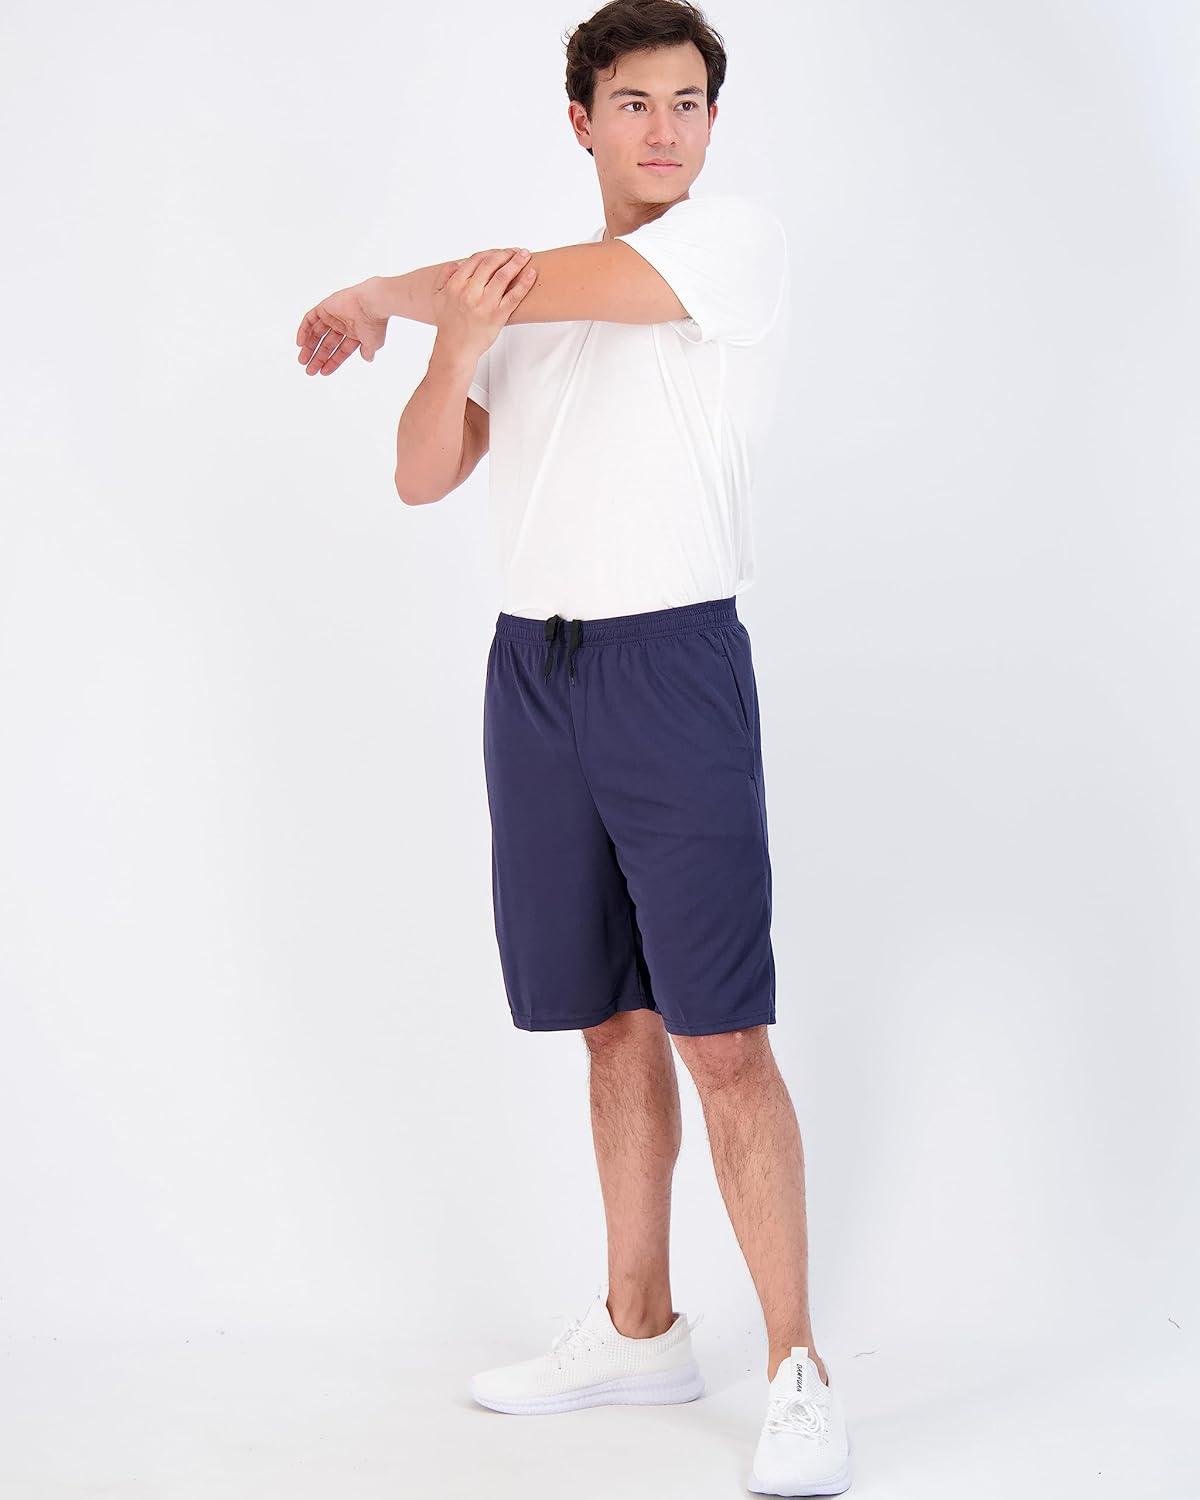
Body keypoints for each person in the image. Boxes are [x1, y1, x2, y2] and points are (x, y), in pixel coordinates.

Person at [295, 1, 852, 1492]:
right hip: (534, 675)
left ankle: (798, 1368)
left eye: (688, 103)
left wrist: (376, 293)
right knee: (610, 1020)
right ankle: (637, 1327)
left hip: (671, 667)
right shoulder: (517, 308)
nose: (665, 130)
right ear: (583, 122)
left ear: (712, 123)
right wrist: (452, 343)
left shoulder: (727, 249)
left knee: (721, 1037)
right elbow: (422, 474)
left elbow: (517, 282)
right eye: (635, 104)